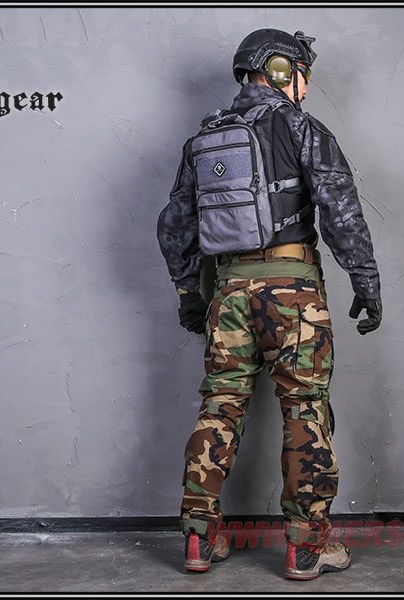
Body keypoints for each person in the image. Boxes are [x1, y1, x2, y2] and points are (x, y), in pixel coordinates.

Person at [156, 28, 383, 580]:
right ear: (281, 69)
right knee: (304, 407)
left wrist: (190, 294)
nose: (306, 85)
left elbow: (175, 228)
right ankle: (308, 547)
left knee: (220, 404)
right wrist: (365, 281)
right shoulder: (301, 127)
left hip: (229, 294)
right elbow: (341, 209)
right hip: (293, 294)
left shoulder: (204, 139)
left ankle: (199, 538)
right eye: (302, 72)